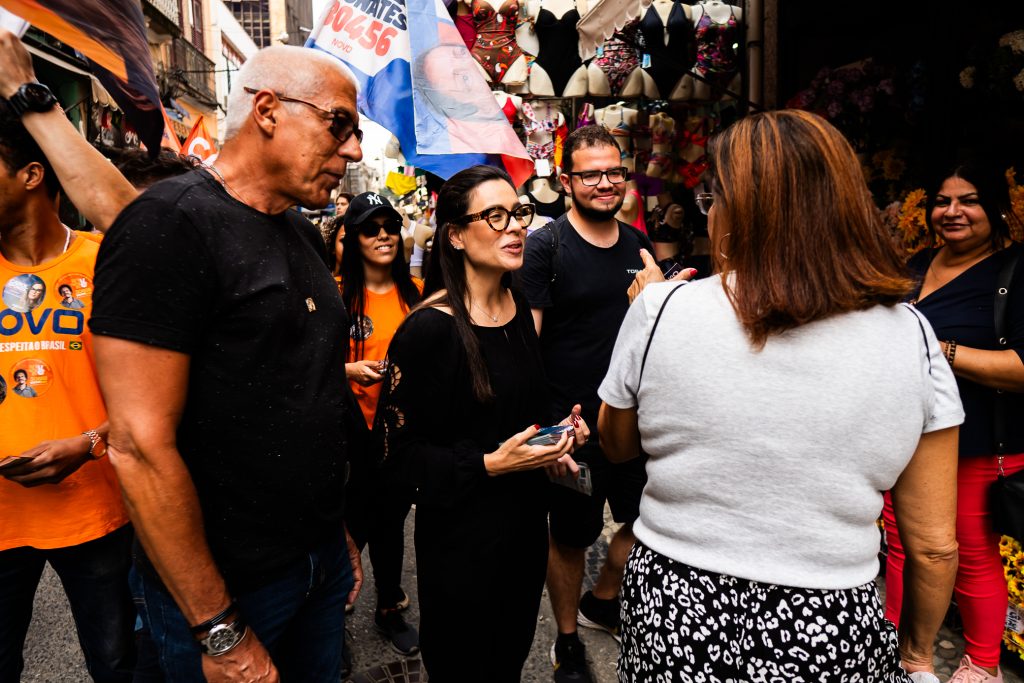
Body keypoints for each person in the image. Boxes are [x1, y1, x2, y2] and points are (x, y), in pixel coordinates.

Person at [598, 109, 963, 681]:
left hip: (674, 605)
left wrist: (644, 322)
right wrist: (916, 656)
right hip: (832, 617)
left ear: (740, 209)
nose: (708, 216)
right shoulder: (912, 334)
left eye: (711, 200)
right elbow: (935, 546)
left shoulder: (662, 307)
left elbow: (617, 445)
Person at [88, 45, 365, 683]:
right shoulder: (171, 224)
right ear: (267, 110)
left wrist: (334, 533)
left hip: (316, 563)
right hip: (230, 591)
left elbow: (303, 395)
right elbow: (138, 445)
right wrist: (219, 629)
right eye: (339, 125)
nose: (351, 151)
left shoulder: (298, 230)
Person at [376, 164, 588, 681]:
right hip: (462, 545)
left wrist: (553, 439)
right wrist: (489, 464)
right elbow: (395, 459)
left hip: (523, 533)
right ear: (454, 235)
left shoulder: (516, 305)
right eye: (495, 216)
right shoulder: (429, 330)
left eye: (518, 212)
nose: (515, 225)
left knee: (508, 662)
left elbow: (512, 415)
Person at [518, 125, 674, 683]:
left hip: (633, 426)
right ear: (566, 181)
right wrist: (547, 434)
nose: (606, 183)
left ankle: (603, 598)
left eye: (615, 172)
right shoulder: (546, 248)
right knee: (569, 537)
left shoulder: (638, 242)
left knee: (647, 522)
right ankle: (566, 641)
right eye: (591, 174)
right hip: (575, 430)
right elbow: (528, 353)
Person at [0, 100, 135, 682]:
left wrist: (88, 443)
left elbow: (155, 394)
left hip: (97, 512)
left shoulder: (106, 261)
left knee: (117, 663)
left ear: (31, 175)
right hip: (2, 522)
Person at [883, 160, 1024, 683]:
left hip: (977, 440)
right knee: (900, 544)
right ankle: (894, 646)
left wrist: (939, 348)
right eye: (943, 201)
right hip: (904, 432)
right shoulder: (917, 265)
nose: (953, 211)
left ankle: (982, 663)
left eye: (968, 200)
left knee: (966, 551)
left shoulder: (1013, 272)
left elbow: (1020, 368)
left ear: (997, 209)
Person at [339, 191, 423, 655]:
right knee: (346, 527)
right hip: (348, 437)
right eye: (371, 228)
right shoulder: (335, 295)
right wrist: (345, 371)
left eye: (390, 226)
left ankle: (389, 606)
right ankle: (332, 616)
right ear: (354, 239)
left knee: (391, 526)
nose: (384, 235)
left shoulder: (419, 294)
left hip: (398, 436)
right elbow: (303, 365)